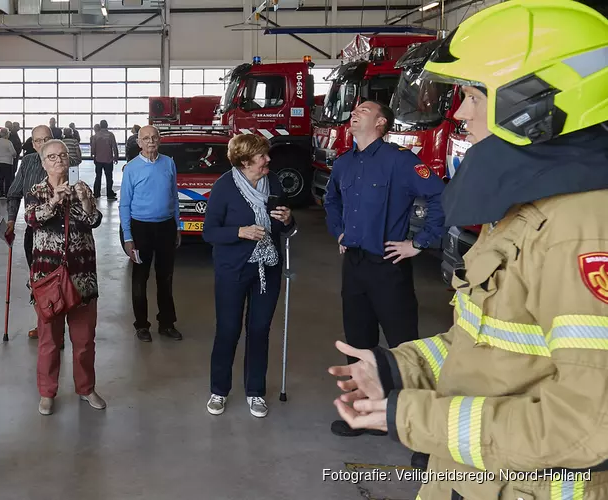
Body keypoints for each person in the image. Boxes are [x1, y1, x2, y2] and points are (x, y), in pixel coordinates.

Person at [329, 2, 608, 498]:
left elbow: (586, 430)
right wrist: (396, 368)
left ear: (534, 104)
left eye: (474, 97)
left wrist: (407, 414)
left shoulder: (582, 234)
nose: (459, 114)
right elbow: (490, 350)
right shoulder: (529, 212)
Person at [322, 100, 445, 438]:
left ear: (380, 123)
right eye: (355, 109)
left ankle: (414, 426)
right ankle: (366, 413)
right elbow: (331, 201)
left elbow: (440, 197)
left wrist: (419, 243)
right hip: (355, 265)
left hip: (389, 266)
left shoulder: (400, 162)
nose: (355, 112)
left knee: (403, 346)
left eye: (364, 109)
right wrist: (340, 230)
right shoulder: (344, 164)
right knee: (359, 341)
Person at [202, 134, 294, 418]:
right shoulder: (224, 187)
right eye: (262, 156)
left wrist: (289, 220)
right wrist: (239, 232)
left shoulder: (274, 182)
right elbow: (209, 232)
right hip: (233, 269)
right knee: (229, 330)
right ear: (245, 161)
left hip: (268, 267)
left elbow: (285, 226)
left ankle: (255, 391)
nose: (268, 160)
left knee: (259, 330)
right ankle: (219, 389)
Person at [25, 139, 105, 416]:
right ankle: (47, 392)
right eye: (52, 157)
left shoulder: (81, 188)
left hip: (82, 277)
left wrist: (86, 202)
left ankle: (86, 388)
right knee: (49, 342)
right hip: (48, 280)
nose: (58, 161)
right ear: (43, 162)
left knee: (84, 341)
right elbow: (32, 219)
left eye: (63, 156)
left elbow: (93, 221)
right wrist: (54, 200)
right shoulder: (36, 191)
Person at [120, 125, 183, 343]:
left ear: (160, 140)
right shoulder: (131, 168)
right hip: (140, 229)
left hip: (166, 227)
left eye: (154, 137)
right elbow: (124, 205)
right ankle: (142, 325)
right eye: (145, 138)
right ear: (138, 143)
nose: (150, 141)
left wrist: (177, 226)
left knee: (165, 277)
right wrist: (128, 237)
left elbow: (174, 197)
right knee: (140, 279)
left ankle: (166, 323)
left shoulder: (169, 163)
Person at [6, 124, 53, 339]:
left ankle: (55, 328)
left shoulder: (62, 160)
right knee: (37, 279)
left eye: (46, 140)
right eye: (37, 141)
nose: (42, 145)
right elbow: (14, 193)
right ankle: (43, 322)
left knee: (56, 280)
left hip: (58, 234)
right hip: (33, 232)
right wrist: (11, 220)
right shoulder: (27, 162)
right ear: (32, 144)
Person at [91, 119, 119, 199]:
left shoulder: (96, 135)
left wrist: (93, 156)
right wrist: (116, 157)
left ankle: (96, 193)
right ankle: (109, 193)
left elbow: (93, 148)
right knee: (109, 177)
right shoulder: (110, 135)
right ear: (107, 125)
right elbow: (114, 147)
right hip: (108, 159)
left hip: (98, 159)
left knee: (98, 176)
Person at [0, 128, 17, 199]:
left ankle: (1, 194)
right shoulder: (8, 142)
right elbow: (13, 152)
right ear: (7, 134)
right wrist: (14, 155)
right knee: (8, 178)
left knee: (0, 178)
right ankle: (7, 193)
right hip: (8, 162)